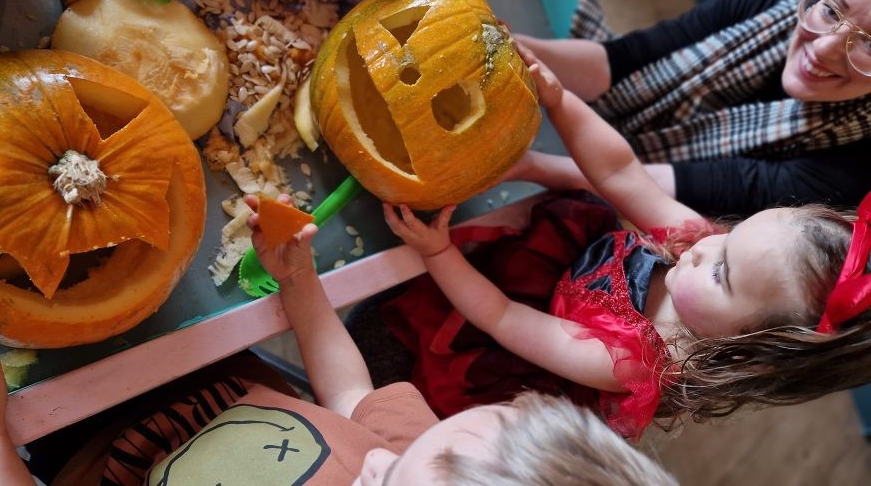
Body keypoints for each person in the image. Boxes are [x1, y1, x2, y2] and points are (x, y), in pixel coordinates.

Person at [0, 193, 680, 486]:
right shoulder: (426, 457)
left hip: (69, 448)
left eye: (382, 483)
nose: (372, 458)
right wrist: (303, 288)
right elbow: (353, 401)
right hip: (199, 376)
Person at [356, 47, 871, 441]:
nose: (704, 248)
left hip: (519, 336)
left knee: (395, 334)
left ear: (748, 351)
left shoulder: (631, 361)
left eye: (723, 275)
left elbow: (501, 317)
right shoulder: (704, 246)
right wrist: (560, 101)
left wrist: (438, 252)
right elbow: (621, 172)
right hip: (552, 273)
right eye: (732, 237)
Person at [507, 0, 871, 216]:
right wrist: (509, 46)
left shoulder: (856, 167)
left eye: (869, 45)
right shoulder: (778, 2)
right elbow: (627, 59)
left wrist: (526, 165)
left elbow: (654, 185)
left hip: (653, 212)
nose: (824, 48)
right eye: (832, 11)